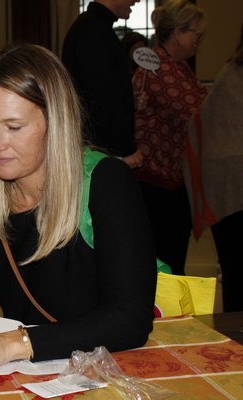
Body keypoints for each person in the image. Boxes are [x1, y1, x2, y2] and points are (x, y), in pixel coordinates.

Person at [0, 44, 156, 376]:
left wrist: (15, 343)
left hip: (115, 371)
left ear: (56, 122)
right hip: (42, 376)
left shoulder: (105, 182)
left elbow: (130, 319)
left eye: (13, 127)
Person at [132, 0, 207, 275]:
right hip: (156, 185)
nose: (198, 40)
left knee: (174, 260)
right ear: (178, 32)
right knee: (165, 264)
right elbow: (195, 112)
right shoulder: (157, 69)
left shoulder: (179, 68)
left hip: (174, 182)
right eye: (195, 34)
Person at [183, 23, 243, 311]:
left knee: (234, 273)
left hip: (224, 188)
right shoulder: (231, 72)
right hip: (231, 188)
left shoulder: (228, 71)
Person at [62, 0, 143, 169]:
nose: (138, 0)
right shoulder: (92, 30)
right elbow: (101, 100)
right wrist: (124, 150)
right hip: (99, 153)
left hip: (100, 150)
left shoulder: (96, 27)